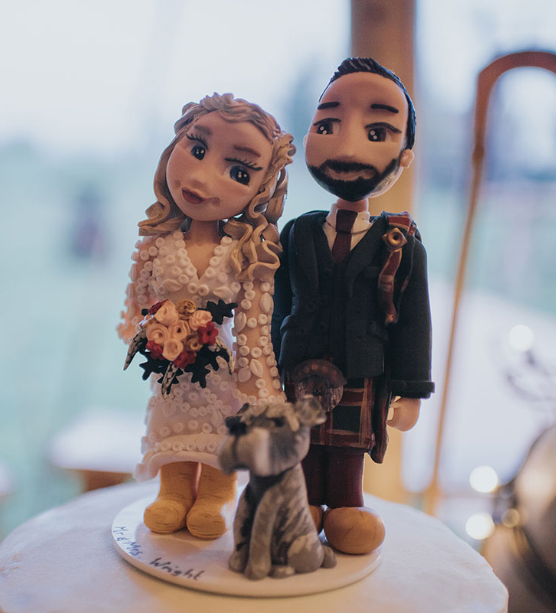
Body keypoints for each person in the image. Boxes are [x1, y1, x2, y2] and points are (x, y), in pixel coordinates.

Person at [271, 58, 434, 555]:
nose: (346, 144)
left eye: (378, 130)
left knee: (345, 451)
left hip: (362, 371)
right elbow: (276, 307)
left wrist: (409, 392)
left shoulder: (399, 242)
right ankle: (299, 507)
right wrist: (261, 367)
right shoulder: (297, 232)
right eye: (328, 125)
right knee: (297, 445)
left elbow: (413, 323)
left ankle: (344, 507)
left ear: (404, 157)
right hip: (296, 370)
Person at [119, 93, 295, 539]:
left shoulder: (245, 253)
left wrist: (259, 382)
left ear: (262, 187)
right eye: (197, 150)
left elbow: (255, 322)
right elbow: (137, 296)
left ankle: (214, 496)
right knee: (171, 424)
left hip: (221, 372)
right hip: (168, 364)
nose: (201, 177)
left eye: (238, 171)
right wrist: (140, 334)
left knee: (220, 430)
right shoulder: (156, 242)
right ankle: (173, 492)